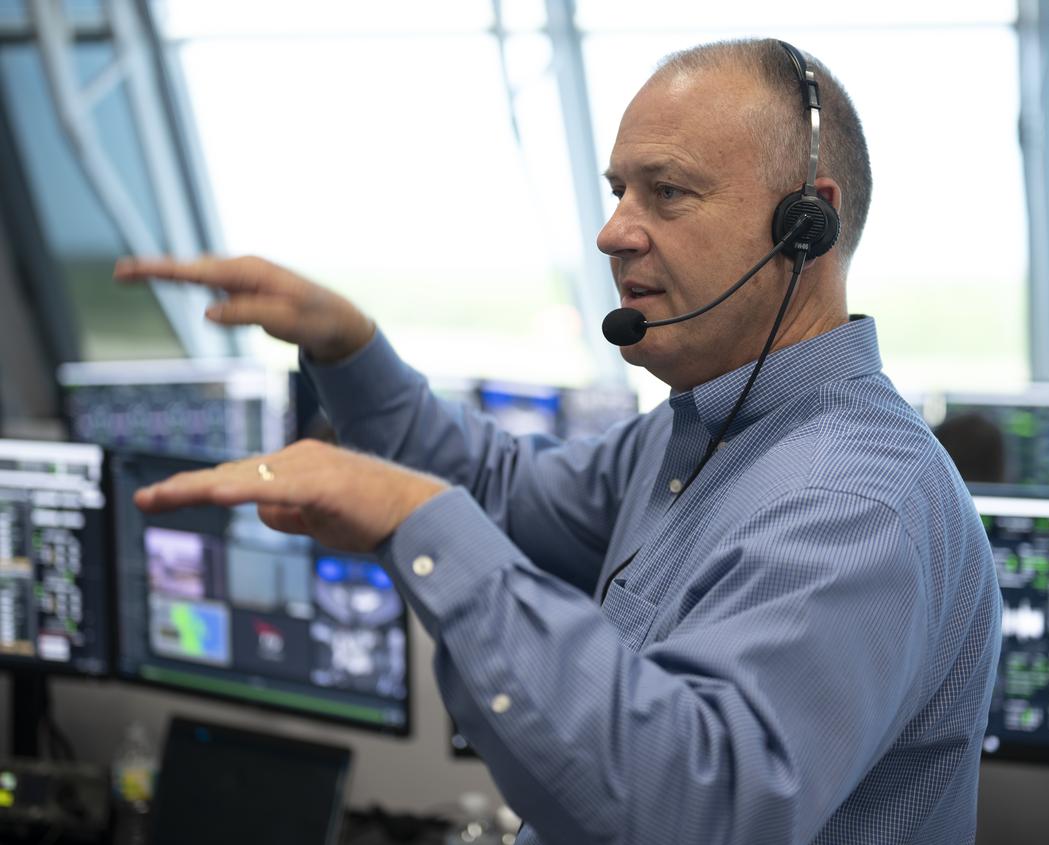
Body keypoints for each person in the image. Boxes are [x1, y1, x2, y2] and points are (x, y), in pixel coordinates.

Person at [115, 39, 1001, 845]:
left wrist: (417, 521)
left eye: (669, 191)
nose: (615, 229)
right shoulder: (698, 432)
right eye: (619, 190)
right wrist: (349, 351)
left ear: (808, 225)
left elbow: (696, 806)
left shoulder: (850, 500)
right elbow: (507, 492)